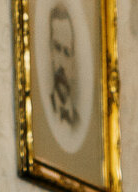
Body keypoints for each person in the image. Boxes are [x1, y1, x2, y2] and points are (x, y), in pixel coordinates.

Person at [48, 4, 80, 133]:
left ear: (73, 58)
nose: (61, 64)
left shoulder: (78, 121)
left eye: (66, 52)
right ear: (50, 52)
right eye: (57, 48)